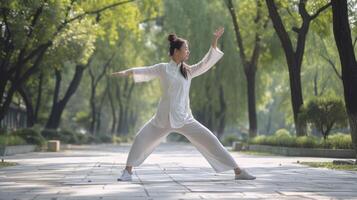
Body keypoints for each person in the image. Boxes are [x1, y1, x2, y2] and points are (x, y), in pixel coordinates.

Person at [112, 27, 256, 181]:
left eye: (188, 49)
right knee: (141, 138)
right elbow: (144, 70)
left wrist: (214, 42)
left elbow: (205, 63)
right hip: (162, 119)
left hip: (183, 119)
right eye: (185, 49)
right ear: (176, 52)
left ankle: (238, 171)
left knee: (211, 140)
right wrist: (125, 73)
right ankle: (127, 171)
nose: (188, 52)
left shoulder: (188, 71)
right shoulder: (163, 68)